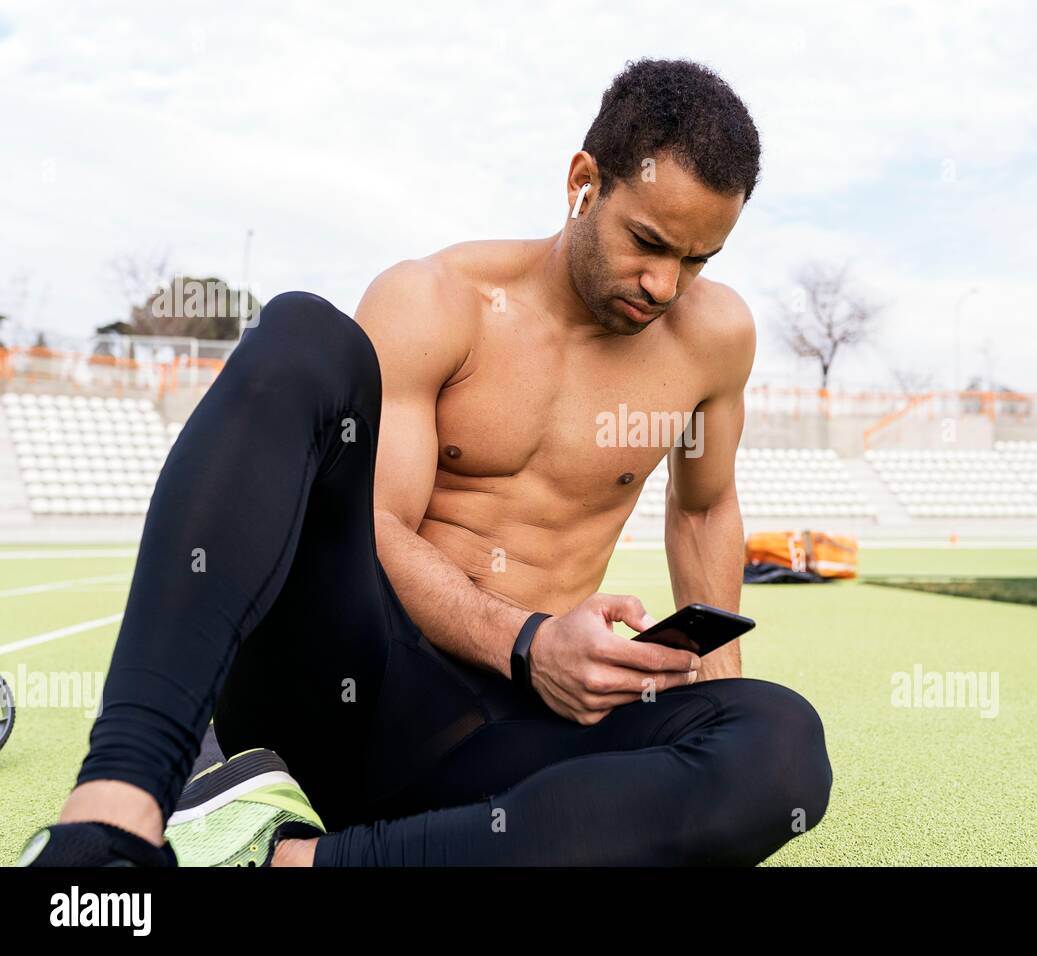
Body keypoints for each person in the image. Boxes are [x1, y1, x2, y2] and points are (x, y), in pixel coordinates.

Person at [18, 57, 833, 867]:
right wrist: (527, 640)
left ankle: (298, 862)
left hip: (504, 749)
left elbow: (701, 505)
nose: (664, 284)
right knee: (306, 331)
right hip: (353, 694)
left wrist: (713, 680)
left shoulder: (714, 340)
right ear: (584, 181)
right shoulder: (437, 301)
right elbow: (375, 526)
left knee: (779, 742)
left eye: (697, 261)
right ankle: (116, 815)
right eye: (647, 243)